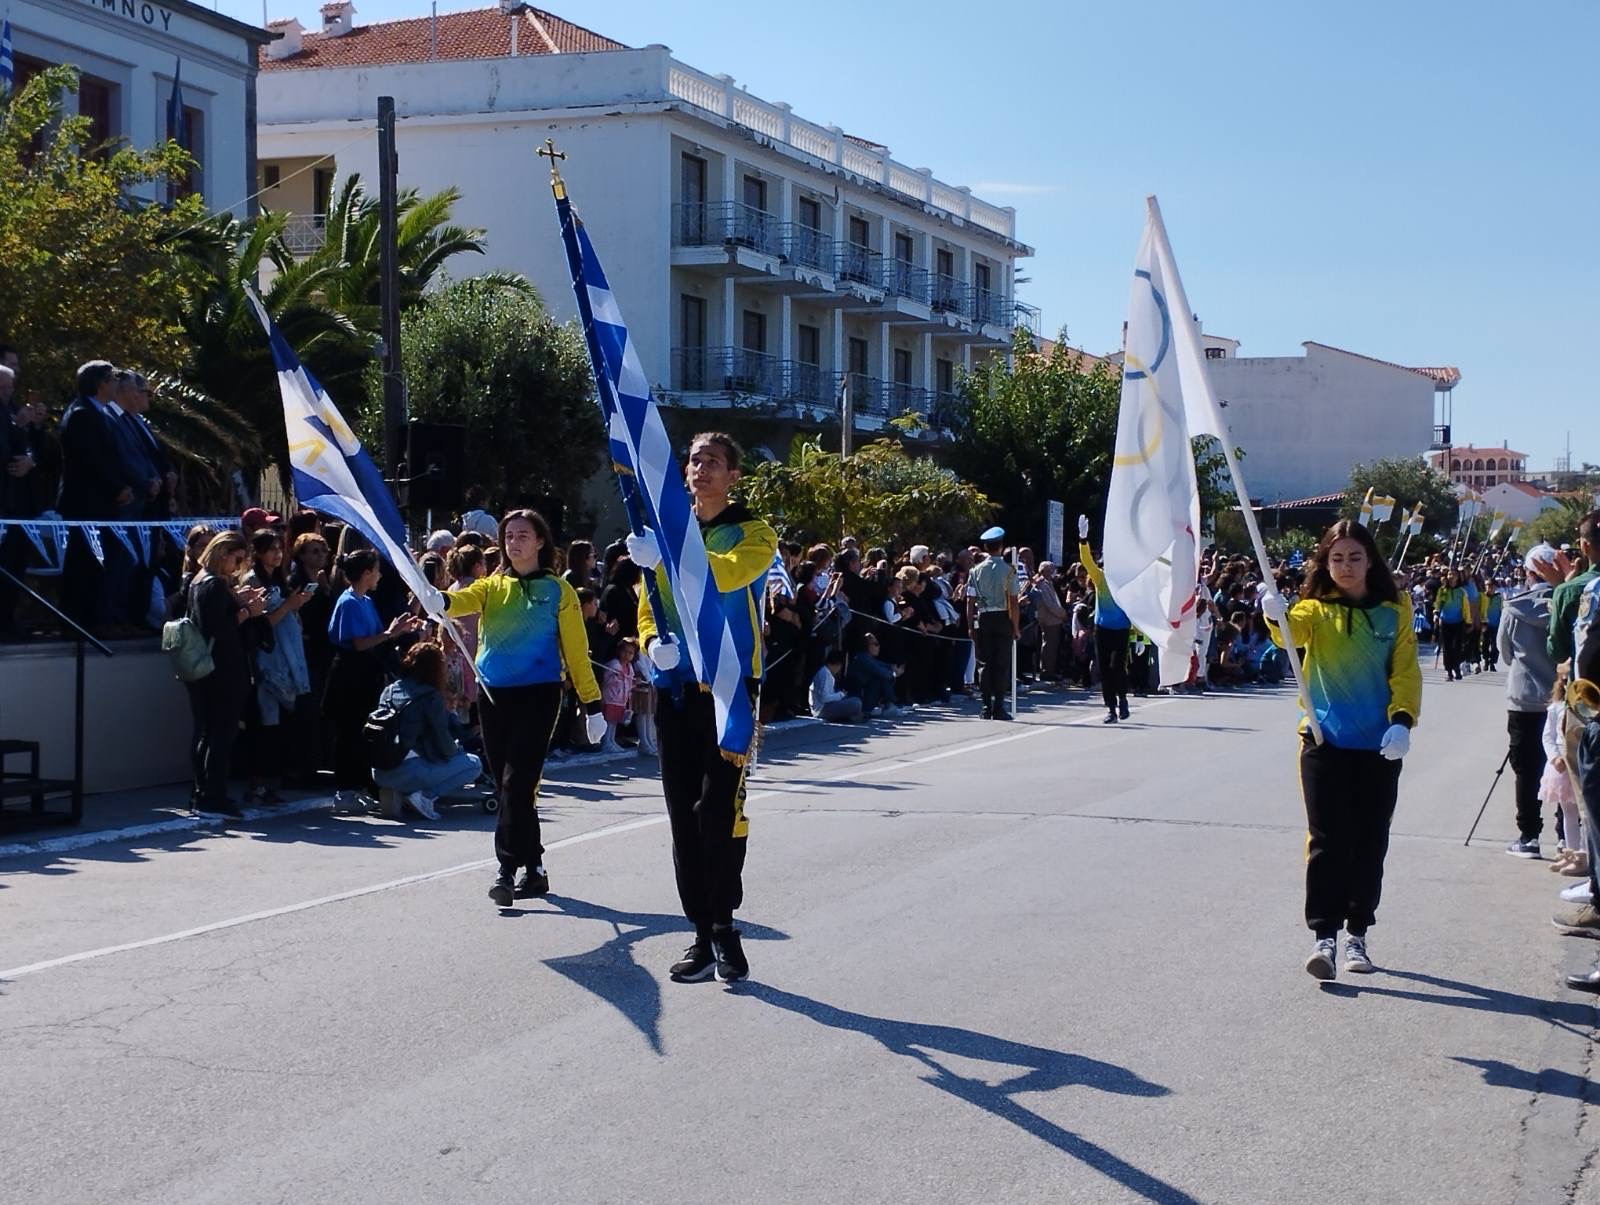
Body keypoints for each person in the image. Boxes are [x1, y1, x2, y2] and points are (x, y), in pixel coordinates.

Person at [633, 432, 777, 984]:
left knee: (718, 811)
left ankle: (724, 925)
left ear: (733, 475)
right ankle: (701, 931)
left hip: (730, 687)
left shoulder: (754, 532)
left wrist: (666, 555)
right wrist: (651, 643)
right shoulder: (667, 532)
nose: (702, 469)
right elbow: (649, 607)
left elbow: (724, 575)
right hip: (676, 687)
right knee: (681, 814)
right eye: (695, 461)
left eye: (714, 462)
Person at [1261, 519, 1421, 981]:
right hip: (1323, 741)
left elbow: (1405, 669)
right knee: (1327, 841)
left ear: (1370, 561)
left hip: (1379, 746)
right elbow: (1290, 635)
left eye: (1354, 557)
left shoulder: (1394, 610)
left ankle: (1357, 933)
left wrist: (1402, 721)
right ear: (1325, 564)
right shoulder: (1314, 609)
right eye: (1337, 558)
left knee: (1369, 841)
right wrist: (1274, 614)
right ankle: (1324, 936)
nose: (1346, 566)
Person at [435, 509, 604, 906]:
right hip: (494, 696)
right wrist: (436, 598)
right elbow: (459, 601)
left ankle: (506, 869)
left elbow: (577, 651)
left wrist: (592, 703)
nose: (514, 541)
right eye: (509, 535)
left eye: (523, 534)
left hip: (539, 696)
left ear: (540, 541)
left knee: (517, 782)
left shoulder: (559, 591)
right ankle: (536, 868)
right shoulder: (491, 586)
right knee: (511, 787)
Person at [324, 550, 421, 812]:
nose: (379, 575)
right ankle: (344, 790)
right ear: (366, 573)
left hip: (367, 674)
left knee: (362, 732)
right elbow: (359, 643)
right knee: (348, 732)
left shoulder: (365, 600)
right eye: (376, 570)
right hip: (349, 675)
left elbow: (378, 637)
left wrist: (398, 630)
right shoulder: (348, 602)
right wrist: (389, 633)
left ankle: (359, 786)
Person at [182, 532, 267, 818]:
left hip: (204, 667)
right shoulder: (215, 584)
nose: (238, 565)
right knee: (221, 733)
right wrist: (248, 611)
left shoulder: (198, 580)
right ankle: (213, 796)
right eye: (237, 559)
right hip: (223, 668)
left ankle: (202, 792)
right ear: (223, 554)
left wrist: (237, 601)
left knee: (207, 732)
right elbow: (220, 627)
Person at [371, 641, 483, 820]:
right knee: (473, 764)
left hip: (379, 770)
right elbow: (444, 743)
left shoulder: (390, 690)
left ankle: (400, 793)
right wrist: (459, 749)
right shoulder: (430, 697)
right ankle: (424, 797)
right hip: (409, 769)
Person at [242, 528, 313, 806]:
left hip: (286, 657)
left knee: (278, 726)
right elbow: (259, 626)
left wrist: (296, 605)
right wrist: (288, 606)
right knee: (264, 724)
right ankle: (257, 783)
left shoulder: (278, 579)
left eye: (280, 548)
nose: (277, 554)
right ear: (258, 552)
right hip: (266, 660)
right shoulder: (252, 581)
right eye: (271, 549)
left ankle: (271, 781)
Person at [1499, 548, 1557, 860]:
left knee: (1526, 769)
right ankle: (1566, 836)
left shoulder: (1514, 607)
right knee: (1563, 766)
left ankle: (1529, 836)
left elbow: (1505, 653)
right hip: (1560, 696)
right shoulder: (1566, 602)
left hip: (1523, 698)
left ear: (1528, 572)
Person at [1079, 514, 1133, 723]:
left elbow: (1137, 607)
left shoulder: (1127, 581)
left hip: (1121, 630)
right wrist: (1083, 539)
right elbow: (1087, 562)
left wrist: (1139, 633)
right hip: (1102, 629)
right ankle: (1111, 709)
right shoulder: (1100, 578)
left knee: (1117, 667)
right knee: (1104, 670)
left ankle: (1123, 699)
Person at [967, 528, 1019, 720]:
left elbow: (970, 601)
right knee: (1001, 663)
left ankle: (985, 706)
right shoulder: (1009, 571)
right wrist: (1015, 627)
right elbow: (1013, 601)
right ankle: (999, 707)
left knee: (984, 664)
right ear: (1001, 546)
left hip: (984, 617)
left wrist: (970, 626)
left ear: (985, 547)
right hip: (1003, 617)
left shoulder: (975, 571)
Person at [599, 637, 639, 754]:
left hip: (621, 699)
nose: (627, 655)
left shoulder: (629, 667)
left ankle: (611, 741)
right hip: (610, 697)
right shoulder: (614, 664)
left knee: (614, 721)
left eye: (630, 653)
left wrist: (634, 683)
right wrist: (616, 677)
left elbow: (628, 683)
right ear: (619, 651)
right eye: (625, 651)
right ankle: (606, 743)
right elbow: (606, 680)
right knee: (608, 721)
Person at [810, 649, 864, 722]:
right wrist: (841, 695)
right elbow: (824, 698)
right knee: (856, 703)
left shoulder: (825, 672)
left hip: (823, 707)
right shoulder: (825, 674)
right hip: (821, 709)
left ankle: (851, 716)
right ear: (837, 665)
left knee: (851, 699)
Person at [1434, 569, 1470, 681]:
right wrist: (1436, 614)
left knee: (1457, 648)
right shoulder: (1442, 590)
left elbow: (1465, 607)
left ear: (1457, 577)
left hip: (1458, 622)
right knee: (1447, 648)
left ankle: (1456, 667)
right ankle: (1449, 671)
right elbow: (1438, 603)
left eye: (1454, 574)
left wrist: (1468, 621)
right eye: (1449, 574)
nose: (1451, 576)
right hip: (1445, 622)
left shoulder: (1461, 592)